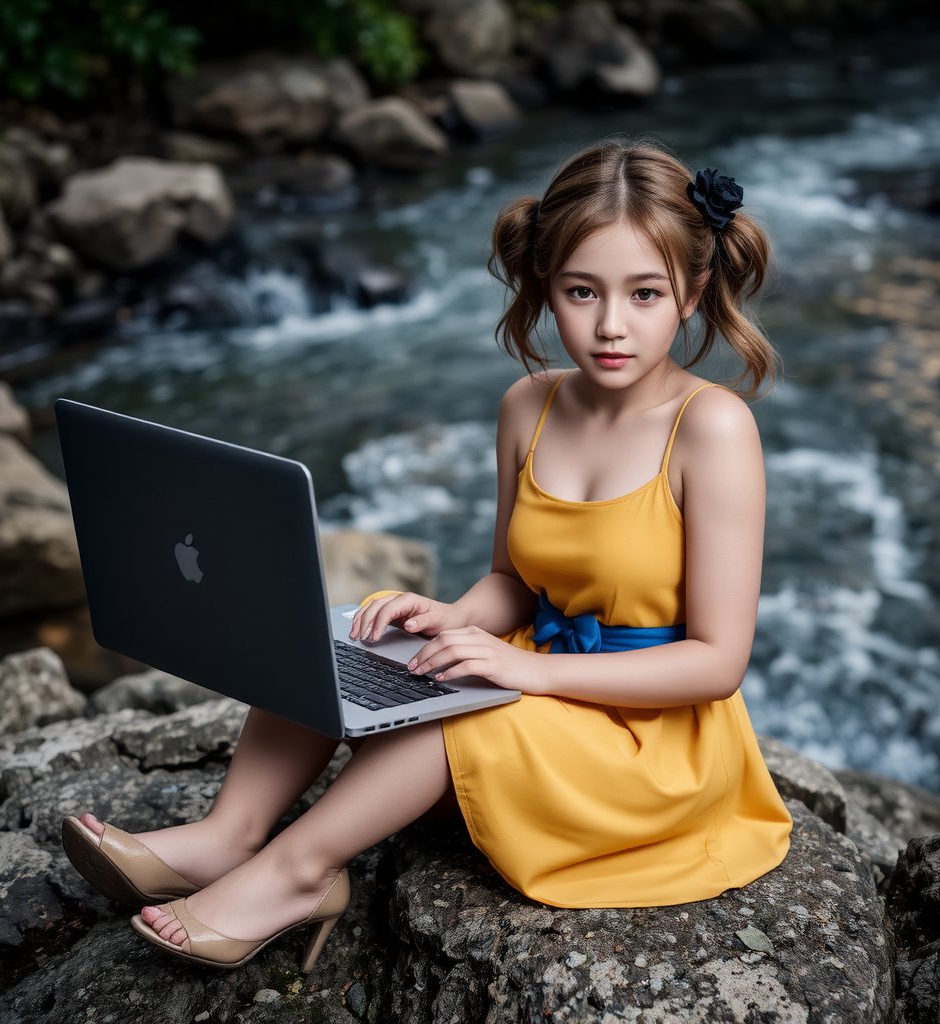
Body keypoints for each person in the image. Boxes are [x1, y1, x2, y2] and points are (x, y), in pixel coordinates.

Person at [62, 137, 793, 971]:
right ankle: (228, 833)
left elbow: (717, 662)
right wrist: (451, 617)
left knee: (467, 707)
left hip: (652, 745)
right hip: (549, 690)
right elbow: (514, 582)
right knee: (344, 641)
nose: (611, 324)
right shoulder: (530, 405)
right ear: (545, 287)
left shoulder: (713, 428)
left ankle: (297, 874)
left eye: (646, 293)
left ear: (693, 292)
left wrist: (531, 674)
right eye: (582, 291)